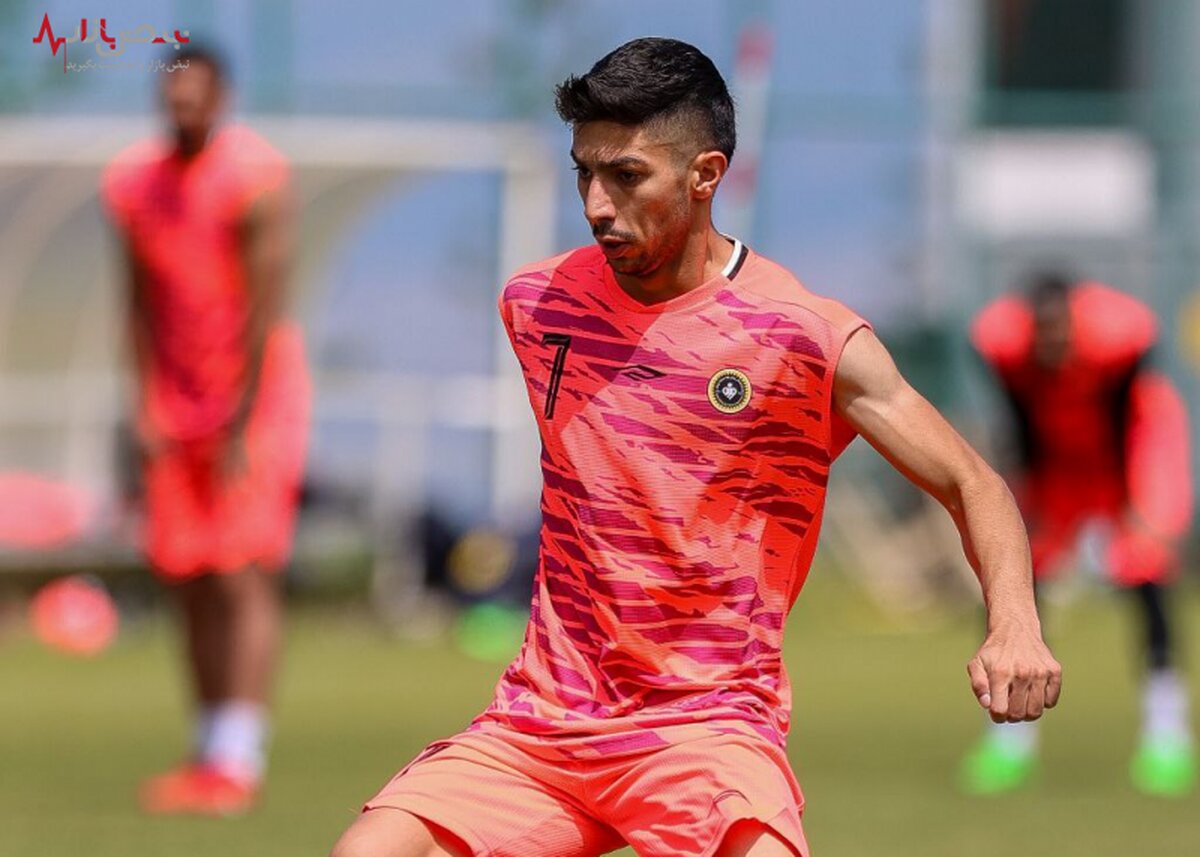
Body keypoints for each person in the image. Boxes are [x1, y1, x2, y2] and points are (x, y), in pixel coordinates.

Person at [331, 38, 1060, 857]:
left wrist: (1015, 624)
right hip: (542, 725)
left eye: (626, 176)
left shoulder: (802, 336)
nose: (597, 205)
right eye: (584, 172)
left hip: (707, 726)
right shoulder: (538, 304)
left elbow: (972, 481)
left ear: (705, 175)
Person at [101, 44, 311, 815]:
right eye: (173, 98)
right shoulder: (131, 182)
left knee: (239, 569)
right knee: (187, 572)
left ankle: (239, 755)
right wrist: (145, 401)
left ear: (221, 98)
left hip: (254, 397)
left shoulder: (254, 175)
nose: (183, 109)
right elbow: (136, 300)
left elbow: (265, 303)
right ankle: (207, 750)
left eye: (196, 97)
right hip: (174, 400)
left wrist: (241, 417)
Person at [963, 274, 1194, 796]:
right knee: (1015, 576)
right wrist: (1031, 505)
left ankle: (1167, 734)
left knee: (1146, 573)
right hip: (1057, 449)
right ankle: (1008, 739)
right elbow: (1019, 419)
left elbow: (1121, 415)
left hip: (1129, 445)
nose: (1052, 342)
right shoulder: (1003, 345)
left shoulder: (1120, 337)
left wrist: (1133, 508)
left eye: (1060, 329)